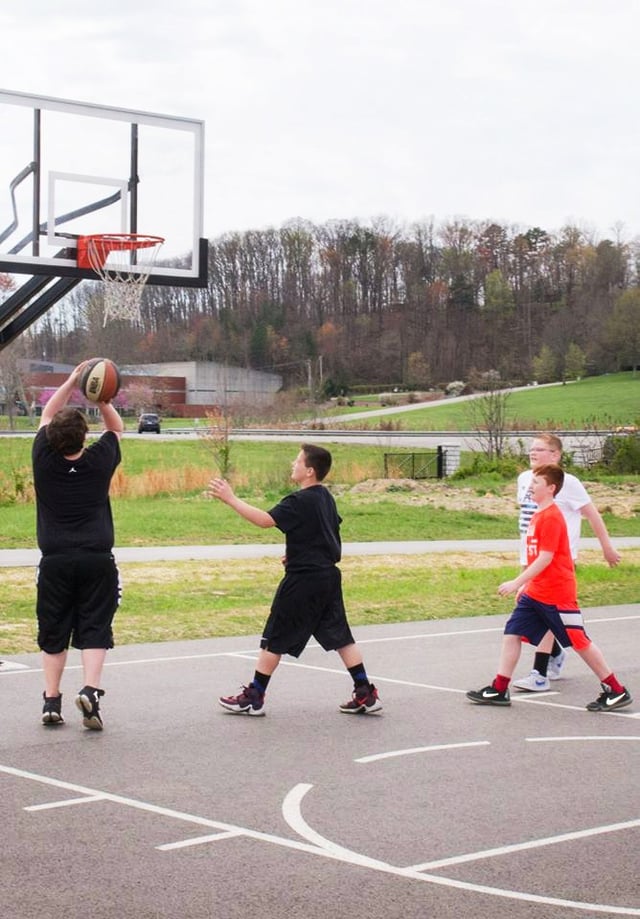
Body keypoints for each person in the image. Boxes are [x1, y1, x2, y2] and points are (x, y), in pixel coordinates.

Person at [208, 443, 382, 716]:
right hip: (327, 576)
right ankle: (365, 692)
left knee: (274, 637)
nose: (293, 464)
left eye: (298, 461)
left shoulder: (298, 501)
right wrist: (300, 553)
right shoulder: (325, 497)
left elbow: (266, 521)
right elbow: (327, 533)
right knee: (341, 636)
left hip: (304, 581)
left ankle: (254, 696)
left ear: (310, 471)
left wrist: (231, 498)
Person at [466, 464, 632, 712]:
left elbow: (546, 558)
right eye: (531, 482)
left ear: (551, 488)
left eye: (536, 483)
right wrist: (527, 586)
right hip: (536, 593)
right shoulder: (537, 515)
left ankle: (616, 690)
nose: (530, 486)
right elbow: (535, 558)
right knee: (512, 633)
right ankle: (499, 688)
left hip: (557, 595)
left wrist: (517, 582)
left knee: (580, 642)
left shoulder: (553, 517)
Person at [32, 362, 123, 729]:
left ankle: (51, 701)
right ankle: (90, 691)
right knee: (95, 626)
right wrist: (100, 397)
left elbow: (46, 414)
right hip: (97, 558)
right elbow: (116, 428)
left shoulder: (43, 459)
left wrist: (71, 380)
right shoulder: (98, 461)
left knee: (54, 629)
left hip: (55, 560)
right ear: (85, 437)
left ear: (53, 438)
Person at [513, 433, 621, 693]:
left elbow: (592, 515)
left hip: (558, 560)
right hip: (532, 558)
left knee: (549, 613)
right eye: (532, 449)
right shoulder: (524, 480)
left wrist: (606, 547)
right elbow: (527, 522)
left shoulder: (567, 483)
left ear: (555, 455)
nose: (533, 453)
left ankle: (540, 672)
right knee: (538, 614)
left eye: (540, 449)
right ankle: (555, 653)